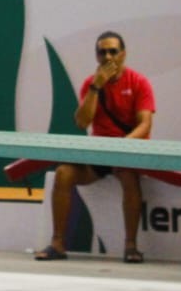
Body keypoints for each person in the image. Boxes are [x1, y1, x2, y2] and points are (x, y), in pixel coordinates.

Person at [36, 31, 155, 264]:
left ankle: (131, 246)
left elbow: (145, 124)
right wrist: (95, 88)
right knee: (63, 173)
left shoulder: (139, 82)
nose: (108, 56)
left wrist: (124, 146)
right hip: (99, 152)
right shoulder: (90, 84)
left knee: (130, 178)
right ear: (96, 56)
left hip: (126, 151)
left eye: (113, 51)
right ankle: (58, 243)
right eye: (103, 52)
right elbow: (82, 122)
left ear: (123, 54)